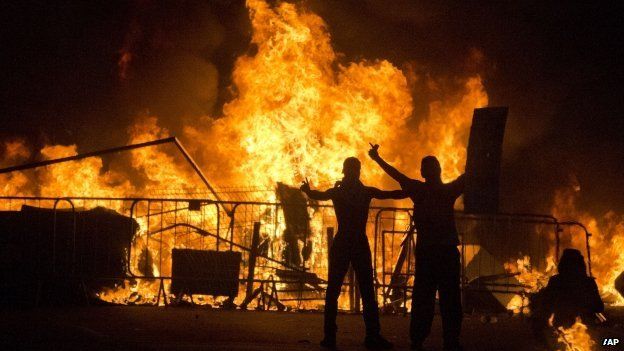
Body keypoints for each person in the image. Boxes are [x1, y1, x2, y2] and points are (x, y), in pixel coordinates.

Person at [300, 157, 407, 350]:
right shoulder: (365, 192)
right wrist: (411, 191)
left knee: (334, 290)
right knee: (366, 290)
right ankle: (372, 336)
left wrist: (307, 191)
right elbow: (389, 193)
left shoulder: (338, 192)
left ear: (344, 171)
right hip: (358, 242)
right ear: (357, 172)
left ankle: (330, 337)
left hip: (343, 242)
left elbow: (318, 195)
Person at [368, 144, 464, 351]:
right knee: (450, 300)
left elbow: (397, 175)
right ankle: (451, 341)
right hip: (446, 252)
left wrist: (377, 158)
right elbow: (468, 178)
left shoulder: (419, 190)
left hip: (429, 252)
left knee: (423, 298)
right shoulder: (448, 190)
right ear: (439, 171)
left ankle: (418, 340)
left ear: (423, 173)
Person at [530, 248, 604, 347]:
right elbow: (599, 307)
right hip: (585, 331)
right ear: (581, 265)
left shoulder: (555, 281)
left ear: (563, 264)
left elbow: (546, 306)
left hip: (562, 329)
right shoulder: (589, 282)